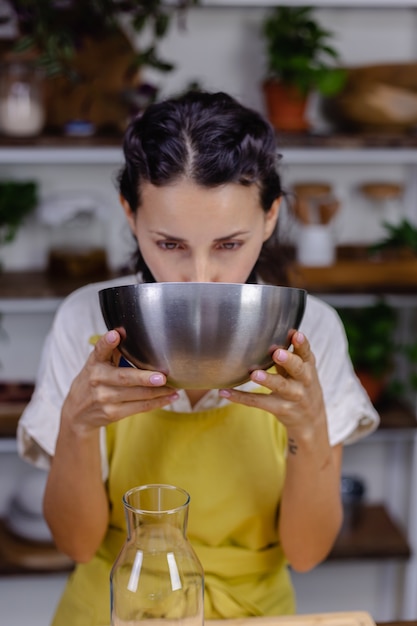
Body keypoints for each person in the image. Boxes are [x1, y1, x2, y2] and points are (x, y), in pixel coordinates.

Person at [17, 91, 379, 625]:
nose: (200, 277)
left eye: (229, 245)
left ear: (271, 217)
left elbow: (306, 553)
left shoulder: (313, 330)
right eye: (170, 244)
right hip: (115, 607)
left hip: (256, 614)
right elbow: (75, 544)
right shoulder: (85, 322)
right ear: (131, 216)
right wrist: (76, 424)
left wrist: (310, 426)